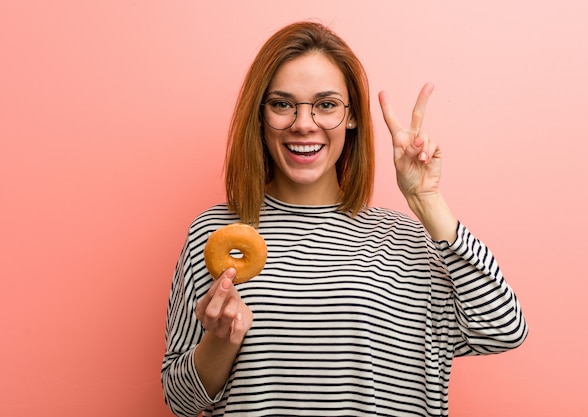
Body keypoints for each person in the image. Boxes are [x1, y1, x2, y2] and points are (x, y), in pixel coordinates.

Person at [161, 20, 528, 417]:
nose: (304, 123)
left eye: (326, 104)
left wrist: (427, 202)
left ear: (352, 117)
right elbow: (180, 402)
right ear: (261, 115)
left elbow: (503, 329)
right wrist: (221, 340)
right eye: (282, 104)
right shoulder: (217, 233)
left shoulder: (408, 239)